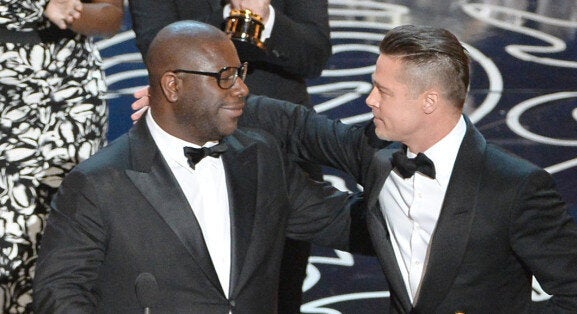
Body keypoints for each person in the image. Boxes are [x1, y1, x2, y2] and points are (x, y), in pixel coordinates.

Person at [236, 25, 577, 312]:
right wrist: (223, 96)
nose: (370, 99)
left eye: (383, 91)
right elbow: (299, 127)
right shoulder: (376, 148)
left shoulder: (515, 187)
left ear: (429, 101)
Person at [32, 20, 364, 313]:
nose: (242, 88)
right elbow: (58, 295)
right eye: (225, 77)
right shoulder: (97, 183)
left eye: (240, 73)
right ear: (172, 86)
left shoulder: (260, 157)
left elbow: (345, 222)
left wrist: (412, 197)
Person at [128, 1, 332, 311]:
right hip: (189, 149)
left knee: (281, 291)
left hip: (280, 152)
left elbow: (314, 55)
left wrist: (264, 17)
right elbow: (160, 50)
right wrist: (231, 19)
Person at [0, 0, 123, 312]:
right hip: (6, 90)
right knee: (9, 237)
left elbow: (111, 16)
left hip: (70, 95)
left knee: (68, 228)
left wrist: (71, 12)